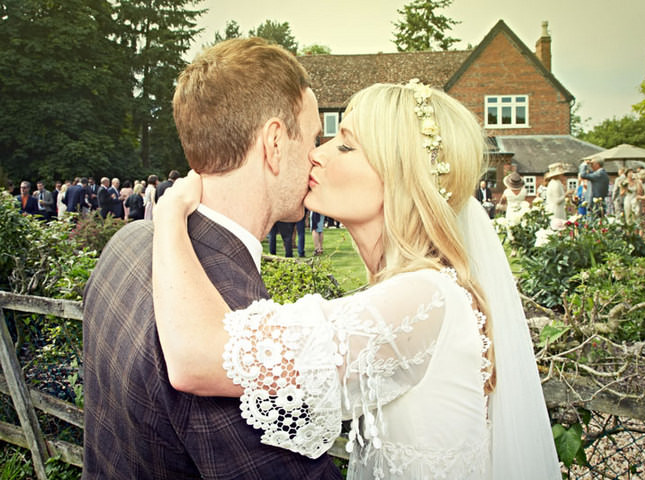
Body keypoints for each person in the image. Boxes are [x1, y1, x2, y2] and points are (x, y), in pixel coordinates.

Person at [152, 81, 561, 479]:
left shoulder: (424, 298)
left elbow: (196, 359)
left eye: (345, 145)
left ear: (401, 177)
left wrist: (170, 213)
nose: (317, 154)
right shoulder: (415, 291)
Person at [83, 37, 341, 479]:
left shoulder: (126, 243)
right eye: (314, 137)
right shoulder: (237, 335)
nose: (317, 158)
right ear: (275, 144)